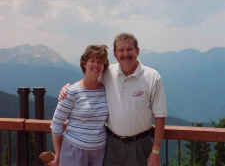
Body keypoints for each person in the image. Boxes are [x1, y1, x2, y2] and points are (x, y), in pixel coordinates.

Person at [59, 33, 167, 166]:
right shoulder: (107, 73)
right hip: (111, 144)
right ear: (115, 54)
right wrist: (68, 88)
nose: (125, 54)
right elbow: (89, 82)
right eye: (121, 50)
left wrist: (155, 152)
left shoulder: (152, 77)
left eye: (129, 49)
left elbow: (160, 116)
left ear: (137, 51)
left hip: (141, 144)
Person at [49, 45, 109, 166]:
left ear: (104, 66)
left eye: (100, 62)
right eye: (92, 61)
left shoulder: (106, 90)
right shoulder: (72, 92)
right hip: (74, 151)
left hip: (99, 152)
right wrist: (58, 154)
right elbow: (56, 123)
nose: (96, 65)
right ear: (84, 63)